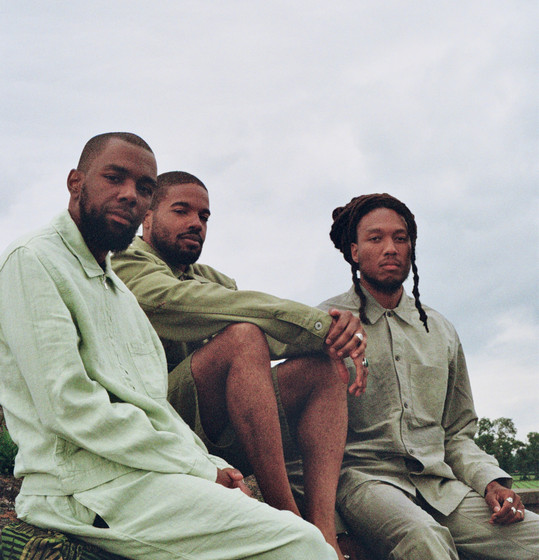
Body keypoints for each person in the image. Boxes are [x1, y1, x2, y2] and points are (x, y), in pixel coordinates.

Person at [0, 133, 339, 560]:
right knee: (302, 545)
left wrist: (212, 466)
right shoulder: (33, 260)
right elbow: (69, 407)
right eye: (114, 178)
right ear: (76, 183)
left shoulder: (115, 290)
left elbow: (153, 405)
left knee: (289, 534)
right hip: (80, 489)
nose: (130, 195)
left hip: (141, 474)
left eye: (144, 187)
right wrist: (198, 467)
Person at [111, 171, 368, 559]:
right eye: (181, 211)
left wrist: (333, 338)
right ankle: (290, 524)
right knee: (243, 336)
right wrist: (315, 325)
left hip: (216, 428)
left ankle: (324, 534)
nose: (196, 223)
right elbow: (182, 306)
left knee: (323, 368)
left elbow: (266, 336)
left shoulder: (214, 280)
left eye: (204, 217)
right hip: (156, 425)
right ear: (147, 216)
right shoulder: (126, 263)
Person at [289, 192, 539, 559]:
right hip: (364, 483)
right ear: (355, 251)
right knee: (425, 538)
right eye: (376, 238)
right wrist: (333, 529)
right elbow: (297, 443)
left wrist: (491, 482)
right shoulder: (326, 324)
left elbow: (456, 434)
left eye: (400, 238)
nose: (390, 248)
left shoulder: (441, 330)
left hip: (441, 488)